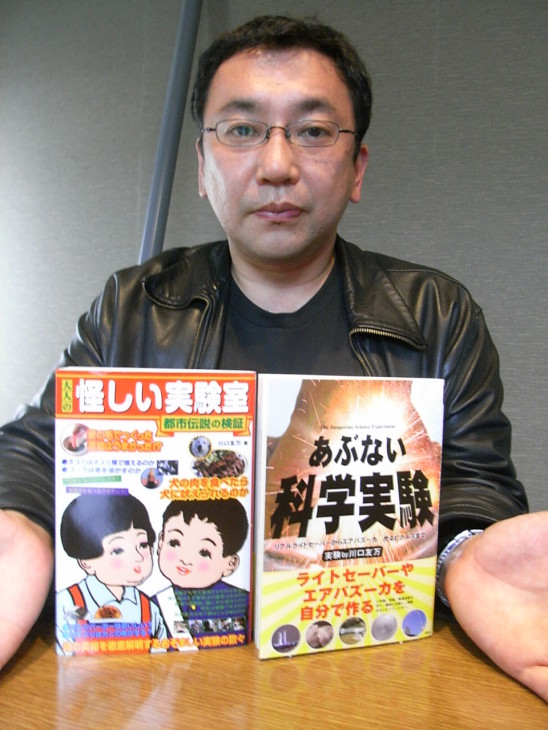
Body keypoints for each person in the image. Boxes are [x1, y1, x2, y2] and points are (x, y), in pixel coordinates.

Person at [0, 14, 546, 700]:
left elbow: (476, 484)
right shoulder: (134, 306)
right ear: (203, 167)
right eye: (242, 129)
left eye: (314, 131)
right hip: (174, 678)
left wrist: (465, 556)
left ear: (357, 168)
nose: (278, 165)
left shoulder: (436, 312)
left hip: (365, 667)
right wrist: (20, 525)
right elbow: (36, 450)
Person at [56, 493, 168, 654]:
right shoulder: (67, 602)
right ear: (85, 562)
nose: (137, 557)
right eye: (117, 550)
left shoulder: (150, 609)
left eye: (142, 545)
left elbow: (161, 654)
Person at [154, 499, 249, 646]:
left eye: (204, 552)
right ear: (161, 541)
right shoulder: (152, 605)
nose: (185, 559)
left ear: (230, 564)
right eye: (174, 543)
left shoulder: (241, 602)